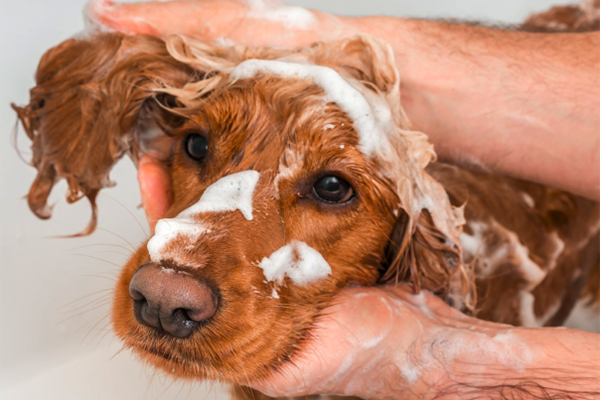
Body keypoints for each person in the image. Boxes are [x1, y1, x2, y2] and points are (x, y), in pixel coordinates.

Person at [94, 1, 600, 398]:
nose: (165, 290)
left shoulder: (466, 268)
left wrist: (432, 364)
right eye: (198, 147)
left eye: (331, 188)